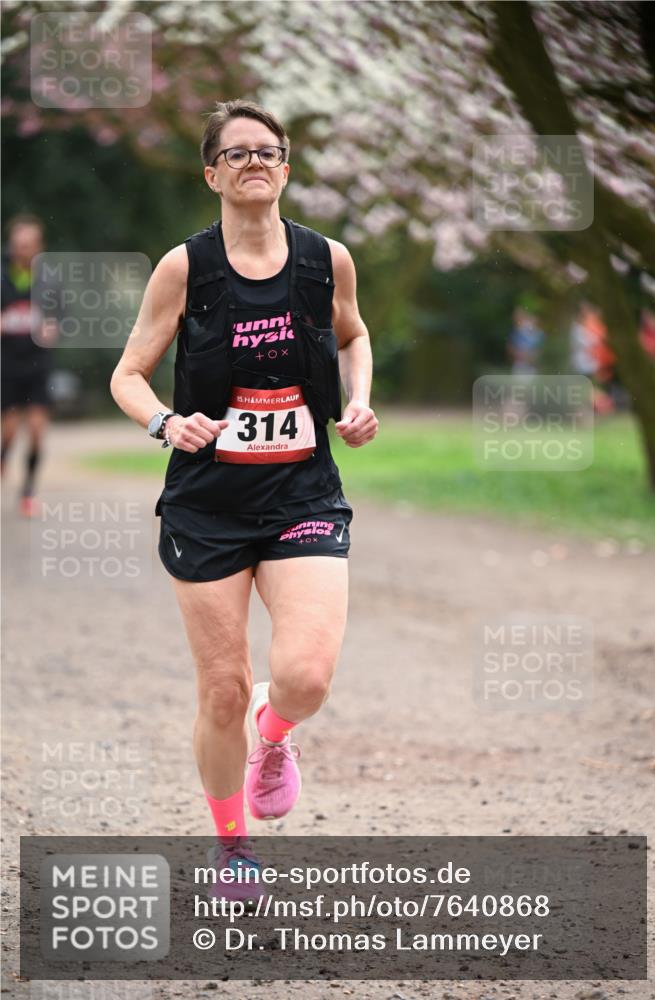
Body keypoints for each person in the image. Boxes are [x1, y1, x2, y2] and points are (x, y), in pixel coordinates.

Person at [110, 100, 378, 893]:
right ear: (212, 175)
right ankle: (233, 849)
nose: (253, 161)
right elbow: (127, 374)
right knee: (222, 690)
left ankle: (276, 733)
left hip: (303, 492)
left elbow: (352, 333)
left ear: (285, 169)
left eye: (267, 151)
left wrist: (358, 399)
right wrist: (165, 422)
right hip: (207, 505)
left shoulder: (325, 259)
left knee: (305, 677)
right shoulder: (184, 268)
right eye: (236, 153)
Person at [1, 214, 58, 516]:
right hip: (7, 365)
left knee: (36, 430)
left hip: (38, 365)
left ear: (39, 246)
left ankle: (27, 493)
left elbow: (62, 316)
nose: (23, 250)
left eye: (29, 245)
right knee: (9, 431)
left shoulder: (49, 280)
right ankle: (3, 459)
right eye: (19, 245)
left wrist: (54, 326)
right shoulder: (2, 277)